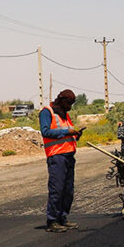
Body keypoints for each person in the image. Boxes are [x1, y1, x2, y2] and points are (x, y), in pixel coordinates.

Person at [40, 89, 82, 233]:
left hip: (69, 155)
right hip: (56, 156)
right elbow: (46, 132)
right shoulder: (47, 112)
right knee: (57, 189)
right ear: (61, 100)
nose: (70, 106)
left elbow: (67, 133)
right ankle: (52, 221)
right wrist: (66, 132)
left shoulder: (65, 115)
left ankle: (63, 218)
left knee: (68, 190)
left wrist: (76, 135)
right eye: (68, 103)